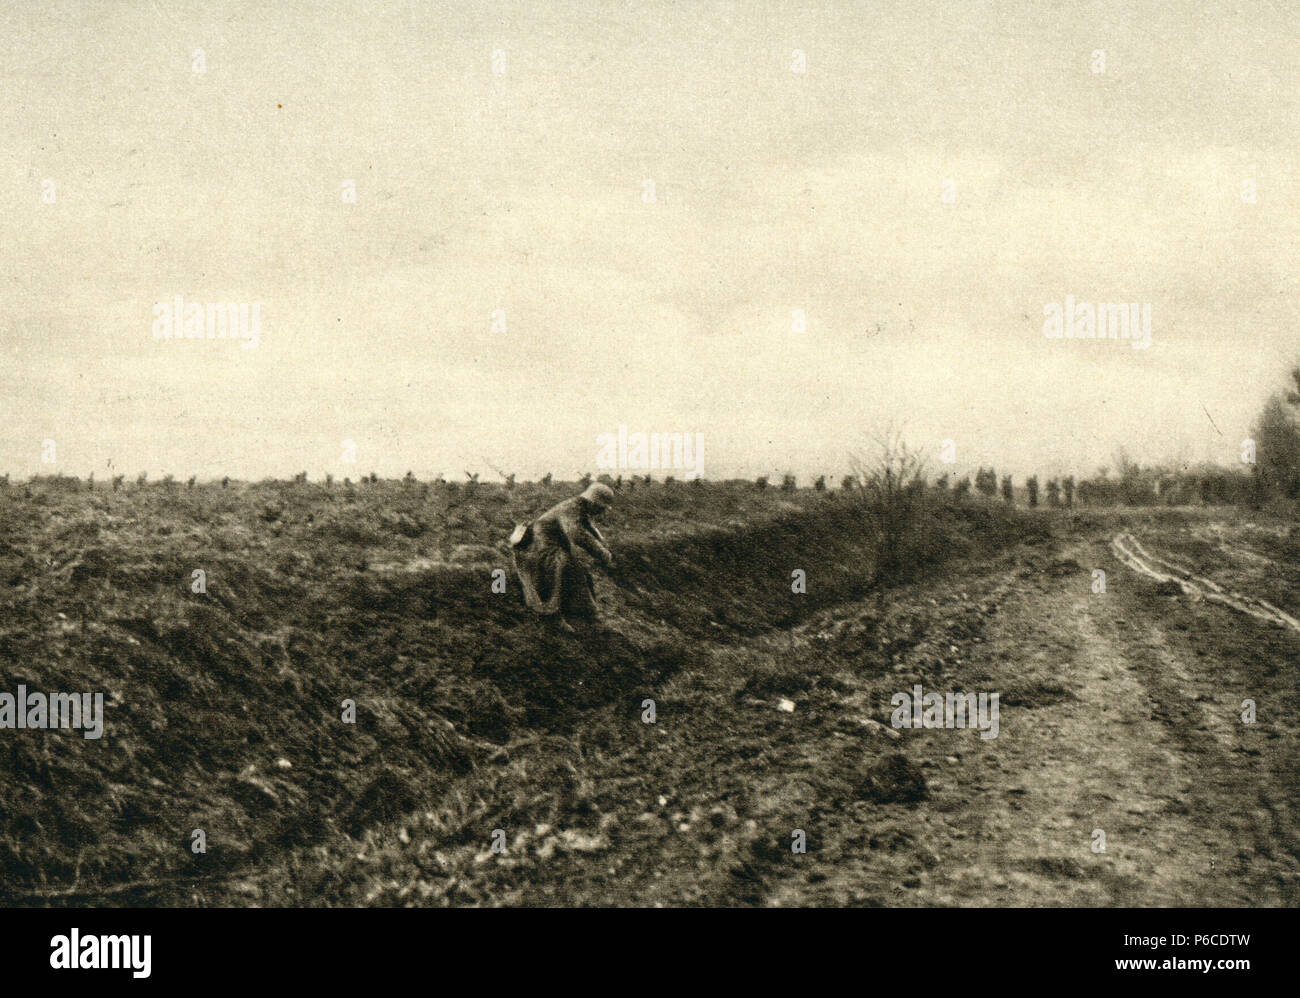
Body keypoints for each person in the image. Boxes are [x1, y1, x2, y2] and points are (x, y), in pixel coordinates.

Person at [509, 483, 615, 631]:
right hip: (537, 552)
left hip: (547, 549)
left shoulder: (579, 507)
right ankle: (553, 617)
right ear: (594, 503)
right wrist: (602, 553)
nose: (601, 512)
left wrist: (602, 545)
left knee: (582, 573)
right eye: (601, 508)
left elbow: (589, 528)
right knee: (568, 567)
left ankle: (584, 615)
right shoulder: (571, 508)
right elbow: (577, 534)